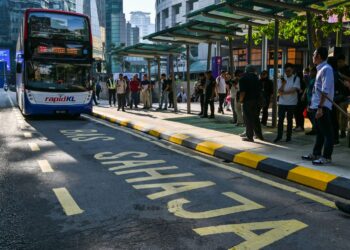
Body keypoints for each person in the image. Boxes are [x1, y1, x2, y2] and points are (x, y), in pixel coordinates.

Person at [302, 47, 334, 165]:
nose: (313, 56)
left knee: (327, 134)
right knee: (320, 132)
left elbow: (325, 91)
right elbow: (317, 91)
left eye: (314, 54)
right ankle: (316, 153)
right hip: (317, 106)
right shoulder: (320, 69)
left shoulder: (326, 69)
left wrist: (320, 108)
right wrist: (313, 105)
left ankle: (326, 157)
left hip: (323, 107)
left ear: (319, 56)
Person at [274, 63, 300, 143]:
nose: (287, 72)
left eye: (289, 71)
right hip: (282, 102)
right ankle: (279, 136)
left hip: (292, 103)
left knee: (289, 120)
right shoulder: (281, 79)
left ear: (292, 70)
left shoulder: (296, 78)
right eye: (286, 71)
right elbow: (279, 91)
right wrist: (283, 84)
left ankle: (288, 137)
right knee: (280, 120)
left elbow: (294, 89)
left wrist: (283, 92)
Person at [239, 65, 264, 142]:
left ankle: (249, 136)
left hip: (248, 101)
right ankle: (259, 135)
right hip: (257, 101)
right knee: (256, 118)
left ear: (246, 70)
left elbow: (243, 92)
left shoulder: (243, 78)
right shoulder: (257, 79)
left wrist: (240, 100)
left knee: (248, 119)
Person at [337, 55, 350, 139]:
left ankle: (342, 130)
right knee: (337, 113)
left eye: (340, 62)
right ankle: (338, 129)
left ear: (343, 61)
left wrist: (341, 76)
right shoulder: (336, 69)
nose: (338, 64)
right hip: (337, 94)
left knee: (343, 113)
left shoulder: (348, 69)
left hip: (346, 95)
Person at [304, 67, 317, 135]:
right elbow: (308, 87)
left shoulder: (316, 80)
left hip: (313, 99)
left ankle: (315, 128)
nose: (310, 73)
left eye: (312, 72)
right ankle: (314, 128)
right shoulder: (311, 79)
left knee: (311, 114)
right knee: (309, 114)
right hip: (309, 99)